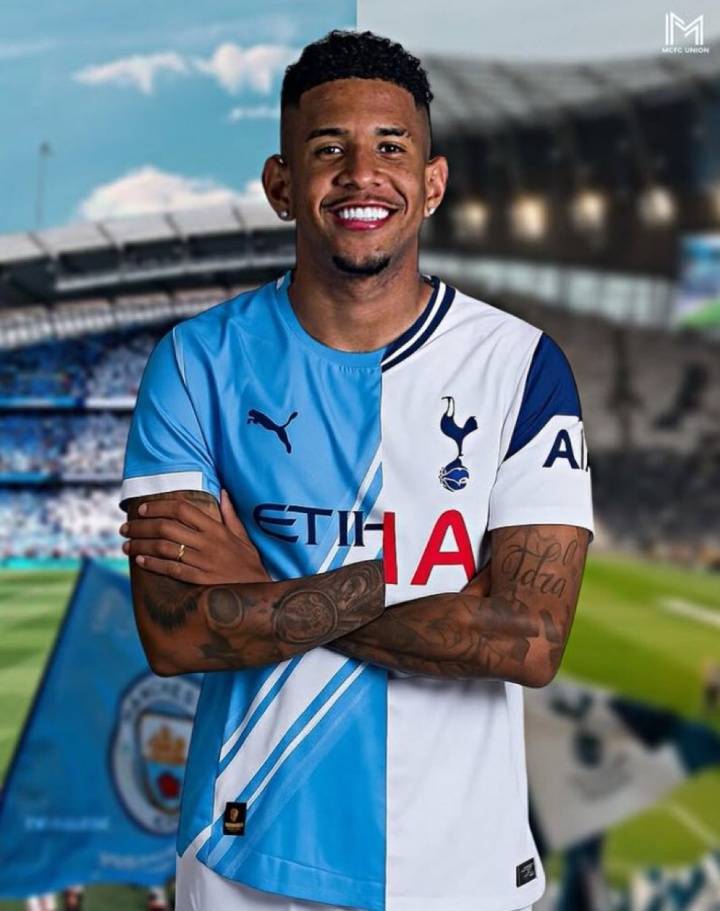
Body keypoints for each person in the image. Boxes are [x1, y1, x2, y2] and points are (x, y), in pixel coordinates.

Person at [118, 29, 594, 911]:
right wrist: (437, 595)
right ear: (281, 185)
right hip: (242, 858)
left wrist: (269, 589)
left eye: (392, 148)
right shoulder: (196, 362)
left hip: (459, 867)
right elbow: (177, 632)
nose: (362, 175)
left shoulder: (520, 367)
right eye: (328, 149)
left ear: (433, 183)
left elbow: (529, 640)